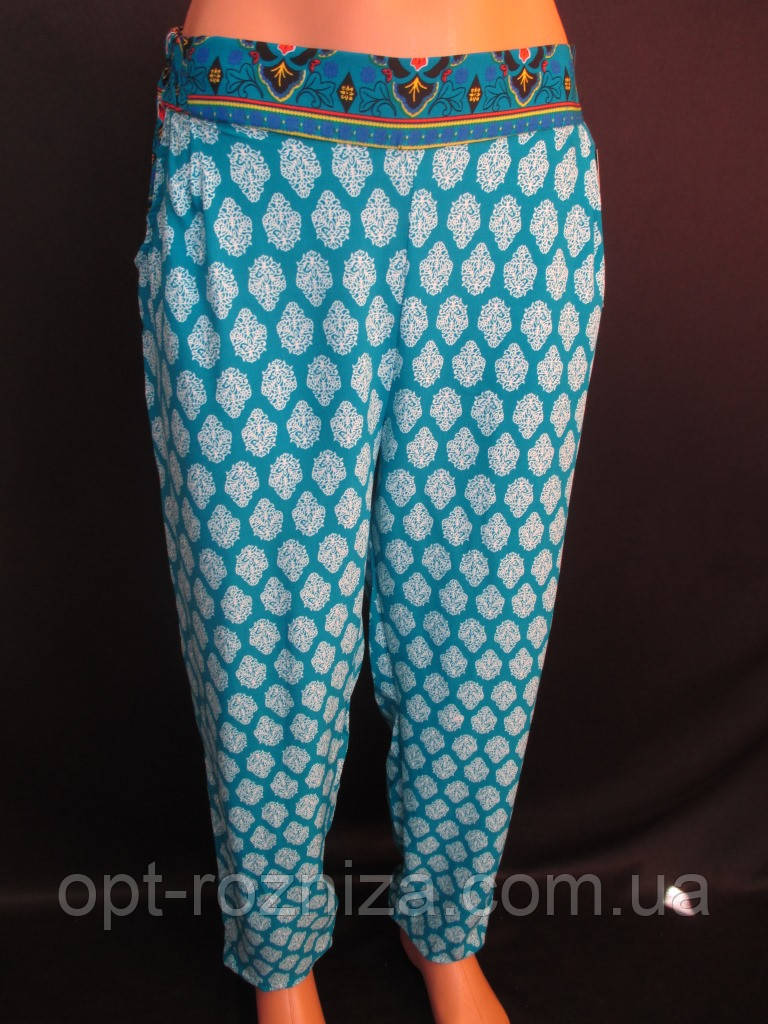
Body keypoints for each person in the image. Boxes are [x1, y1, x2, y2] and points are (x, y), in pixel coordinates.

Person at [134, 0, 606, 1020]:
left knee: (487, 615)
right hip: (255, 149)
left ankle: (445, 928)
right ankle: (279, 959)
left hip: (513, 160)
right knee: (259, 616)